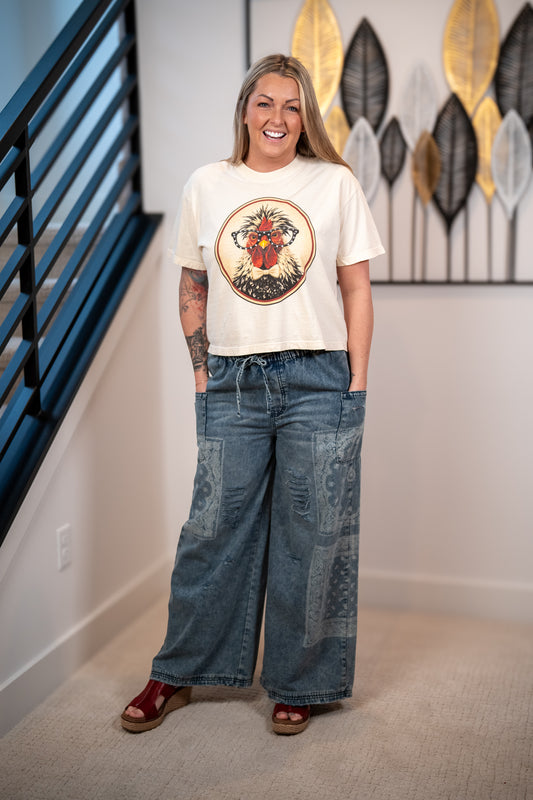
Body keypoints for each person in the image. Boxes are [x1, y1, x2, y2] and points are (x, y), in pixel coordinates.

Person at [120, 53, 384, 736]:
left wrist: (356, 381)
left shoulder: (334, 182)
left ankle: (302, 683)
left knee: (312, 534)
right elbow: (192, 285)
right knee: (211, 530)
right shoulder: (207, 184)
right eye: (265, 102)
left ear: (305, 118)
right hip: (231, 380)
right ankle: (178, 670)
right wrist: (201, 373)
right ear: (244, 111)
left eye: (292, 107)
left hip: (318, 378)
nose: (277, 117)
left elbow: (356, 288)